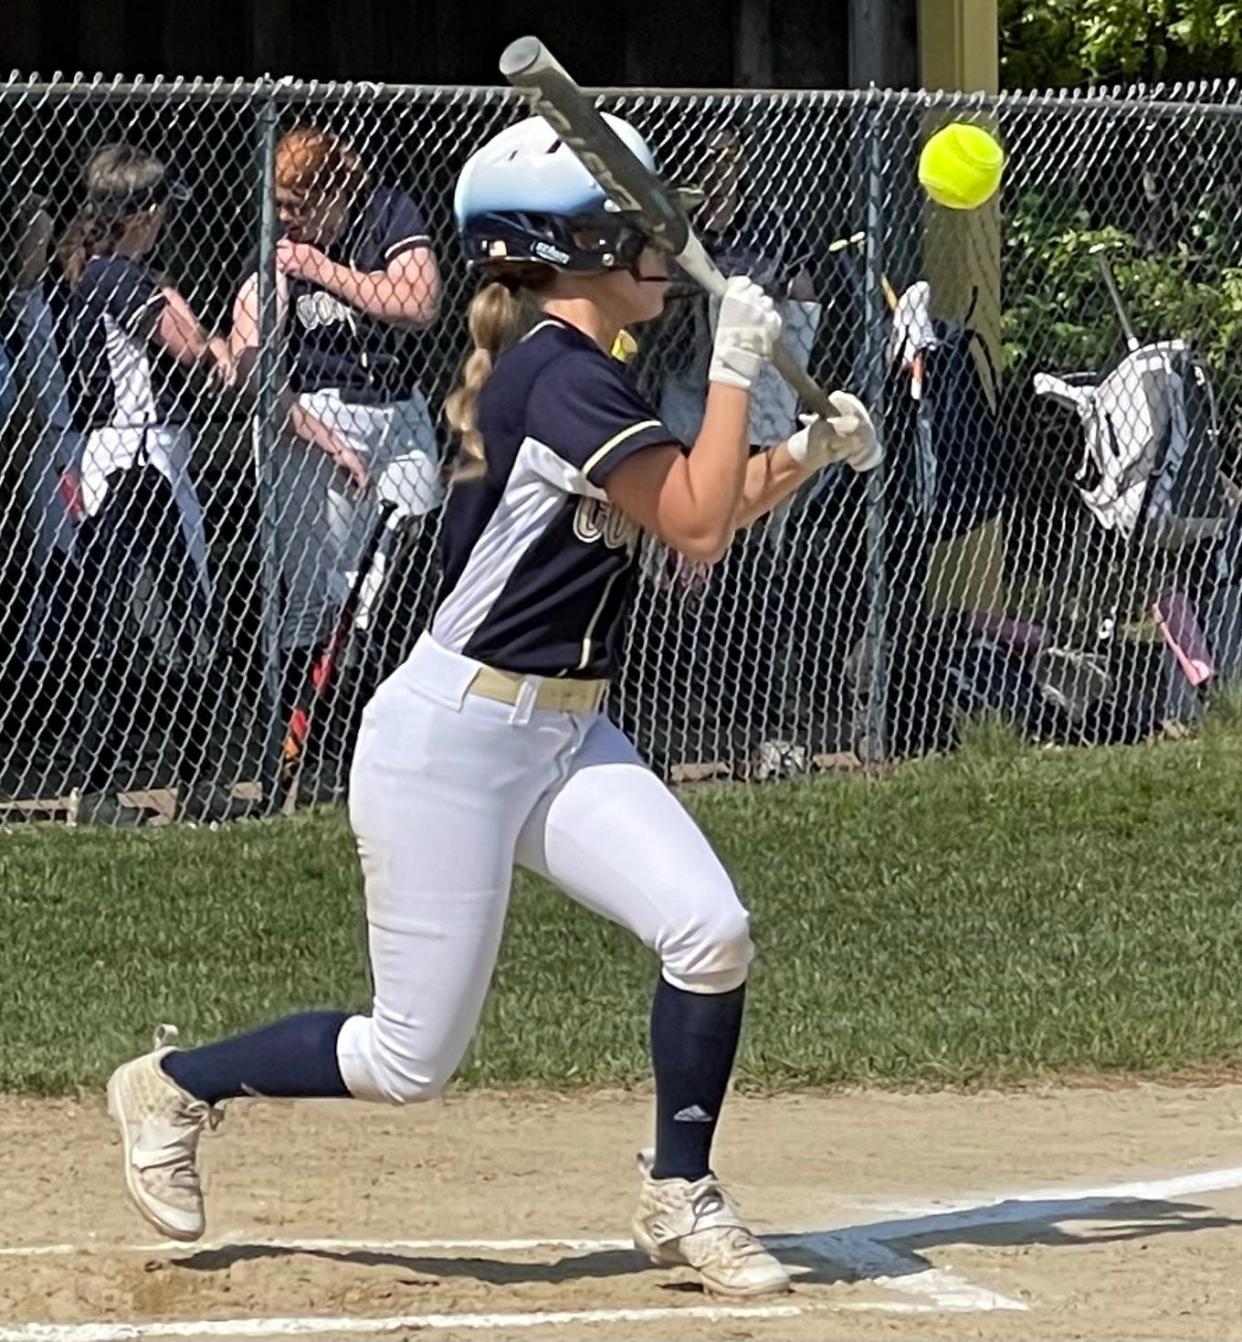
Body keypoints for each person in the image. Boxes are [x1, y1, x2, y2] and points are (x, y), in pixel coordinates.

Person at [104, 114, 876, 1296]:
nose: (661, 245)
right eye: (632, 229)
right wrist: (734, 375)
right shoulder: (555, 376)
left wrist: (809, 450)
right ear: (566, 245)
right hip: (451, 742)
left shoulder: (590, 377)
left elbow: (684, 508)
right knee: (408, 1058)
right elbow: (698, 522)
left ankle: (680, 1189)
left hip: (564, 732)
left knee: (710, 930)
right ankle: (173, 1084)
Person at [229, 126, 443, 756]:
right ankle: (307, 744)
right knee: (317, 591)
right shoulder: (277, 251)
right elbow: (250, 367)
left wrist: (324, 269)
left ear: (333, 195)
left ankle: (392, 728)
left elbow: (419, 300)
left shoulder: (383, 214)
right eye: (280, 211)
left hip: (398, 415)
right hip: (316, 420)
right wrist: (318, 434)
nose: (288, 224)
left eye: (298, 209)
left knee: (401, 575)